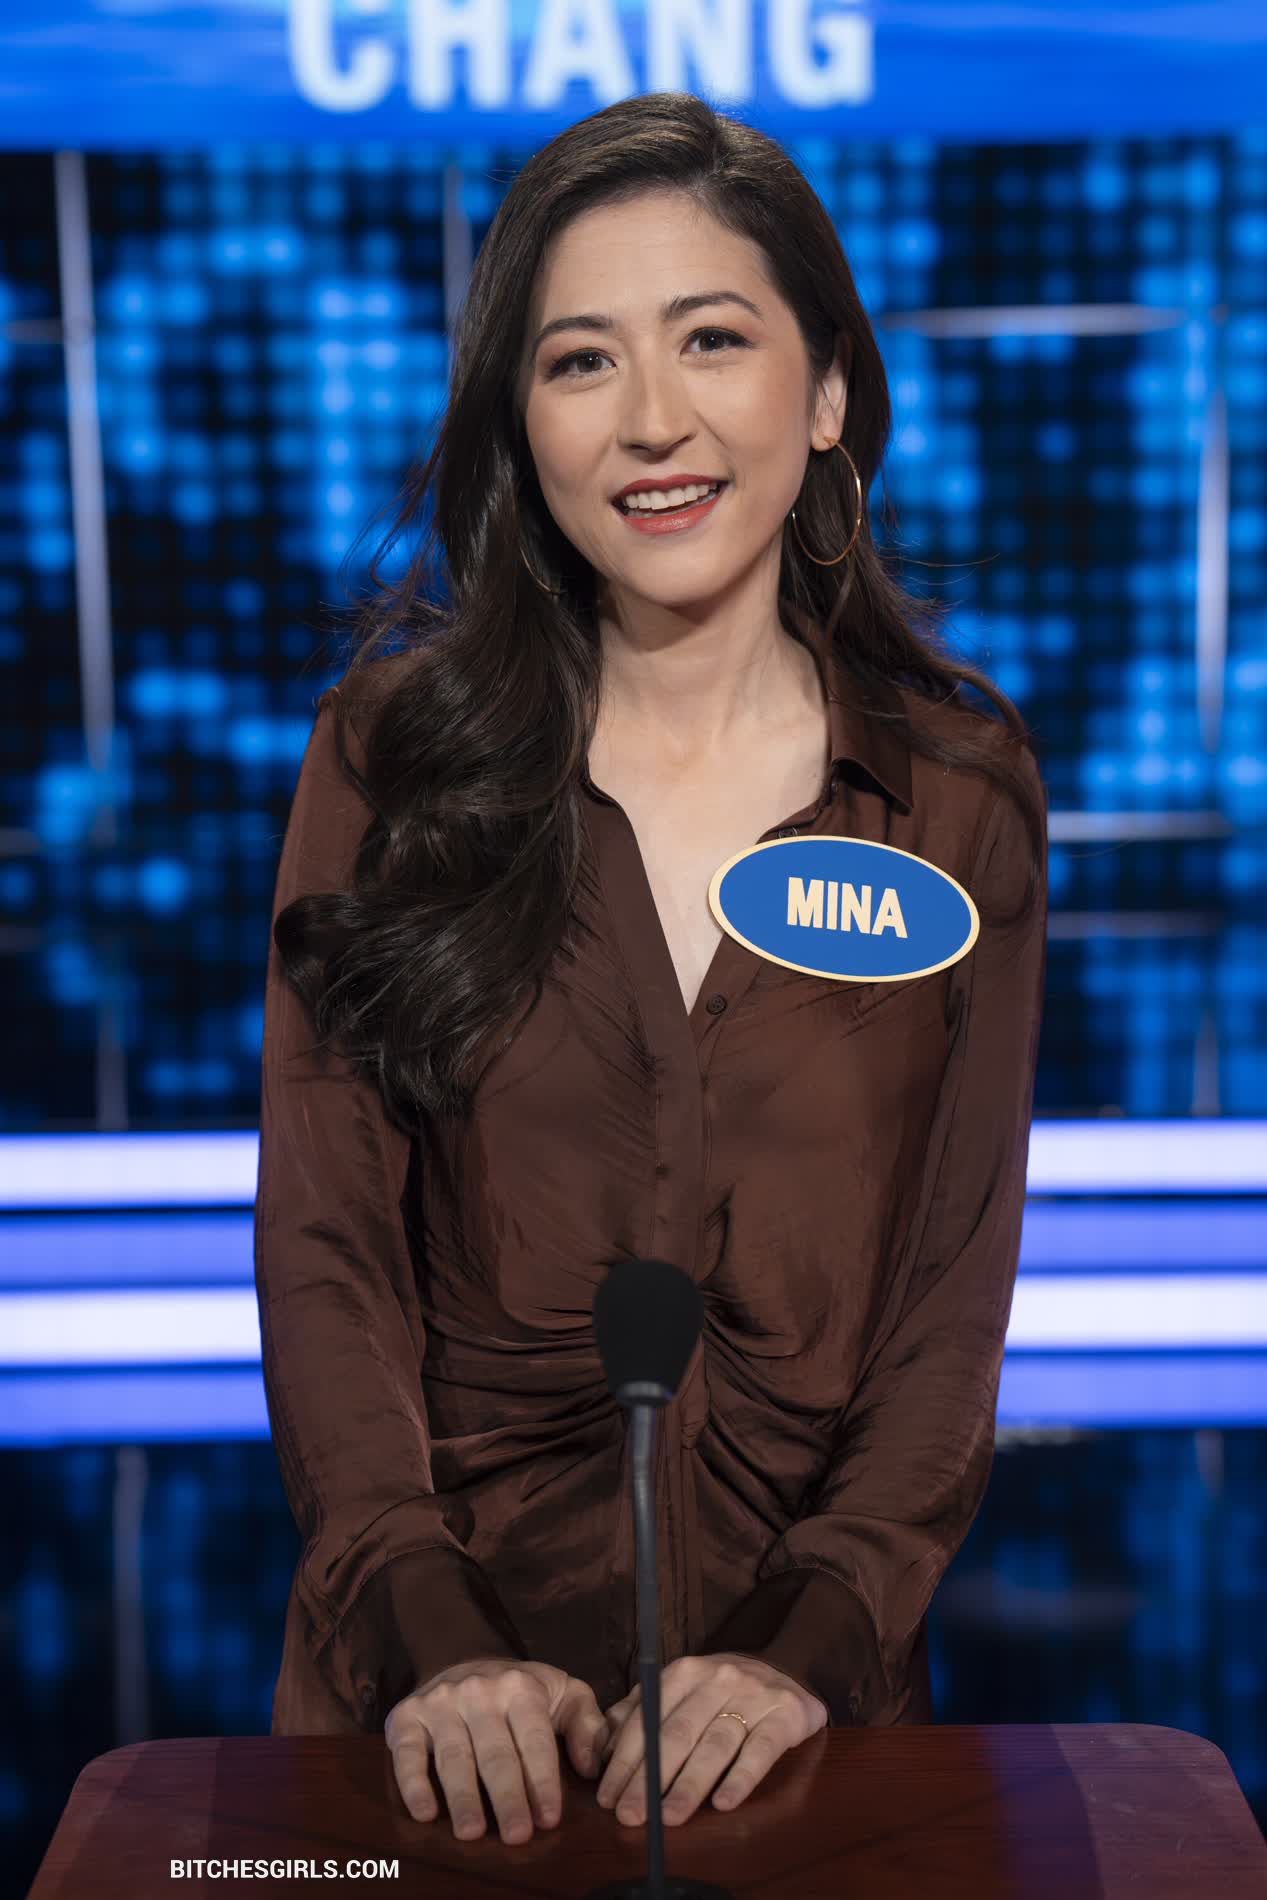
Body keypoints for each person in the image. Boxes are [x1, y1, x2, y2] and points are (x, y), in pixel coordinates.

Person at [253, 90, 1048, 1851]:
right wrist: (441, 1647)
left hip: (802, 1754)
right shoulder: (392, 761)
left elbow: (951, 1300)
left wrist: (801, 1653)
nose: (653, 420)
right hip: (438, 1755)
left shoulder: (959, 792)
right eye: (581, 361)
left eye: (712, 339)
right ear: (520, 420)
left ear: (826, 391)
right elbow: (327, 1252)